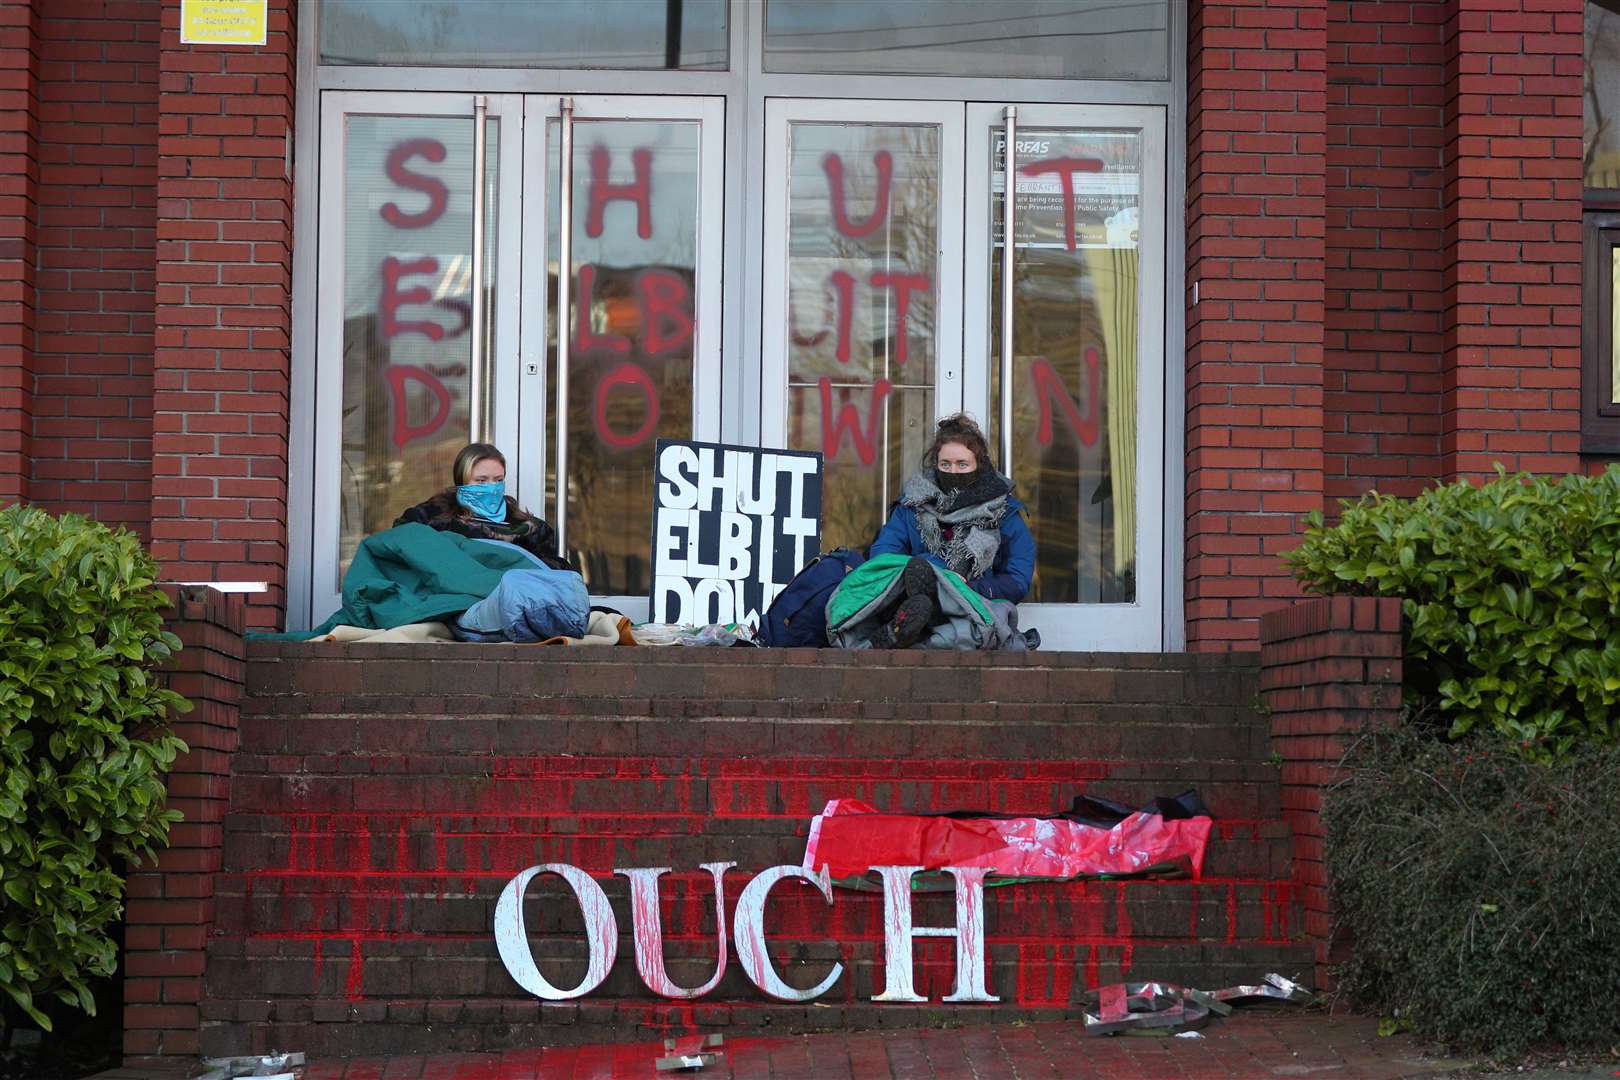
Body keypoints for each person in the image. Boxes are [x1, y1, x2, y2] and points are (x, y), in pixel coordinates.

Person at [866, 414, 1036, 648]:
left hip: (975, 602)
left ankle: (909, 629)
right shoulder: (912, 505)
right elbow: (883, 557)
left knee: (978, 622)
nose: (953, 471)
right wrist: (937, 573)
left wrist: (963, 587)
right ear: (935, 464)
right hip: (911, 597)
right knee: (915, 587)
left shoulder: (1003, 512)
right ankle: (911, 623)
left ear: (979, 465)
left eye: (962, 464)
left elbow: (1017, 579)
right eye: (945, 464)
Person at [395, 442, 574, 571]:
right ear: (462, 481)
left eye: (498, 480)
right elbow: (399, 544)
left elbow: (558, 570)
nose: (491, 487)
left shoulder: (528, 527)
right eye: (481, 481)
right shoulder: (432, 517)